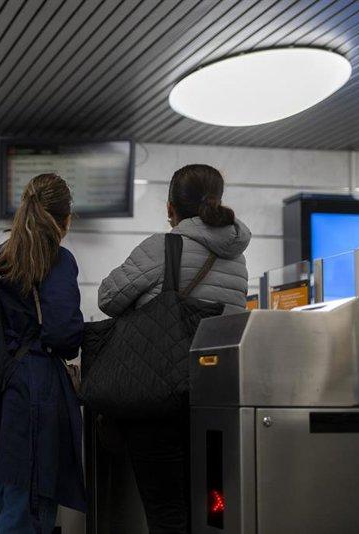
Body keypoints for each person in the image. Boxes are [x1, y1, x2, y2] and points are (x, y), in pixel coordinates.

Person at [97, 164, 251, 533]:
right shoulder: (237, 256)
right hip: (215, 398)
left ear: (170, 208)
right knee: (210, 513)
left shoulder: (162, 247)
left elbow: (108, 298)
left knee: (166, 513)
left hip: (160, 396)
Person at [0, 173, 86, 534]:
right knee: (26, 507)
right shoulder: (54, 258)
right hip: (29, 395)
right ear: (65, 220)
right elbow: (63, 333)